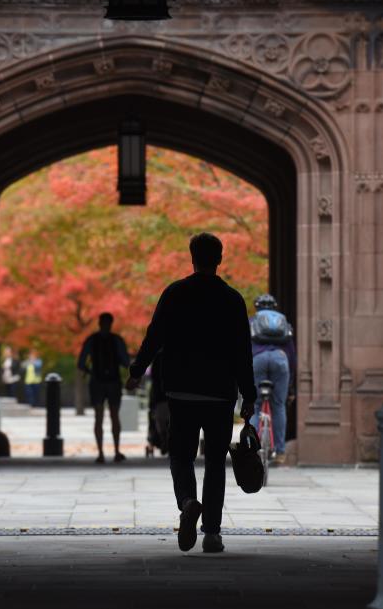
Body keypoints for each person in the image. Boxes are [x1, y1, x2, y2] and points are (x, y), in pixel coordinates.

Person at [126, 232, 256, 554]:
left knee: (181, 456)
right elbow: (242, 351)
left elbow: (154, 336)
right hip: (220, 394)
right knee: (214, 463)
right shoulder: (232, 299)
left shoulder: (174, 294)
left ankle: (187, 501)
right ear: (219, 259)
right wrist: (249, 394)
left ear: (192, 258)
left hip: (181, 391)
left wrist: (136, 371)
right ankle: (211, 533)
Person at [248, 294, 295, 464]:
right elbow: (291, 354)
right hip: (280, 360)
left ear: (257, 307)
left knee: (255, 405)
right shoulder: (283, 323)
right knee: (279, 405)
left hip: (257, 360)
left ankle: (252, 448)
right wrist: (290, 385)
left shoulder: (251, 321)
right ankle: (280, 452)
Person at [77, 312, 130, 463]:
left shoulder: (91, 340)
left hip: (97, 381)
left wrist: (90, 371)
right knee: (114, 416)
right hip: (113, 381)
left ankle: (101, 453)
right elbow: (125, 361)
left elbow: (81, 363)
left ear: (99, 323)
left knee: (98, 417)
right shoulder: (117, 340)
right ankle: (116, 451)